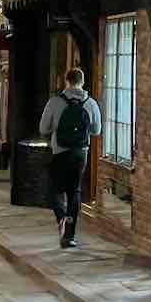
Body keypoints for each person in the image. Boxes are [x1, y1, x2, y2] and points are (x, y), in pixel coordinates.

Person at [39, 67, 101, 249]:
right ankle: (70, 236)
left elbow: (43, 128)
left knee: (55, 189)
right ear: (82, 82)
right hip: (81, 153)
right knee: (74, 191)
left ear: (66, 81)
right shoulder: (91, 103)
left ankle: (61, 217)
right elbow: (96, 130)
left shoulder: (55, 102)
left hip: (60, 152)